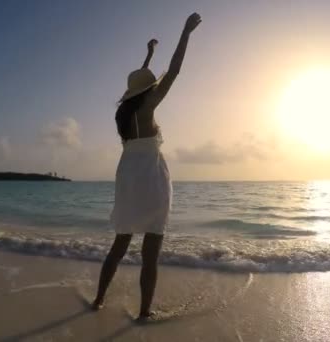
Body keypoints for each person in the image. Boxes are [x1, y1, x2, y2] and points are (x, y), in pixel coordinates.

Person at [92, 12, 202, 321]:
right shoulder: (148, 106)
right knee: (150, 253)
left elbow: (141, 79)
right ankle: (143, 311)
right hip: (151, 178)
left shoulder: (125, 114)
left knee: (119, 244)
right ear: (147, 91)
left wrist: (150, 54)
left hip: (127, 175)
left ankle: (98, 299)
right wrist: (186, 32)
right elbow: (175, 71)